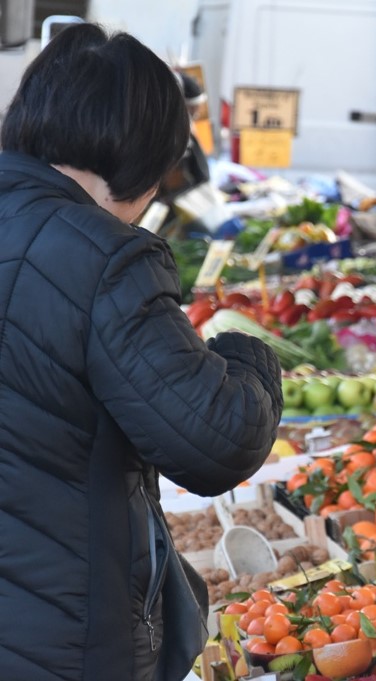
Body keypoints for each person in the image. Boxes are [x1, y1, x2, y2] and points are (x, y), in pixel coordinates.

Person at [0, 23, 282, 681]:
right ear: (144, 161)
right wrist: (249, 357)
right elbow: (214, 437)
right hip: (60, 639)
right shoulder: (103, 256)